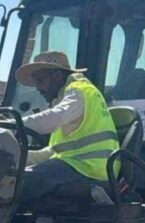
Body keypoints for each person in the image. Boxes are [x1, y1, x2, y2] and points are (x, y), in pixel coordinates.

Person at [14, 51, 120, 206]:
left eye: (41, 80)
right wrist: (15, 155)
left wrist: (13, 124)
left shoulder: (79, 90)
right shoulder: (67, 101)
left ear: (57, 76)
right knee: (13, 176)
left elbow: (53, 118)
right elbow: (54, 152)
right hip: (81, 166)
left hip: (91, 169)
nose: (38, 88)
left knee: (19, 183)